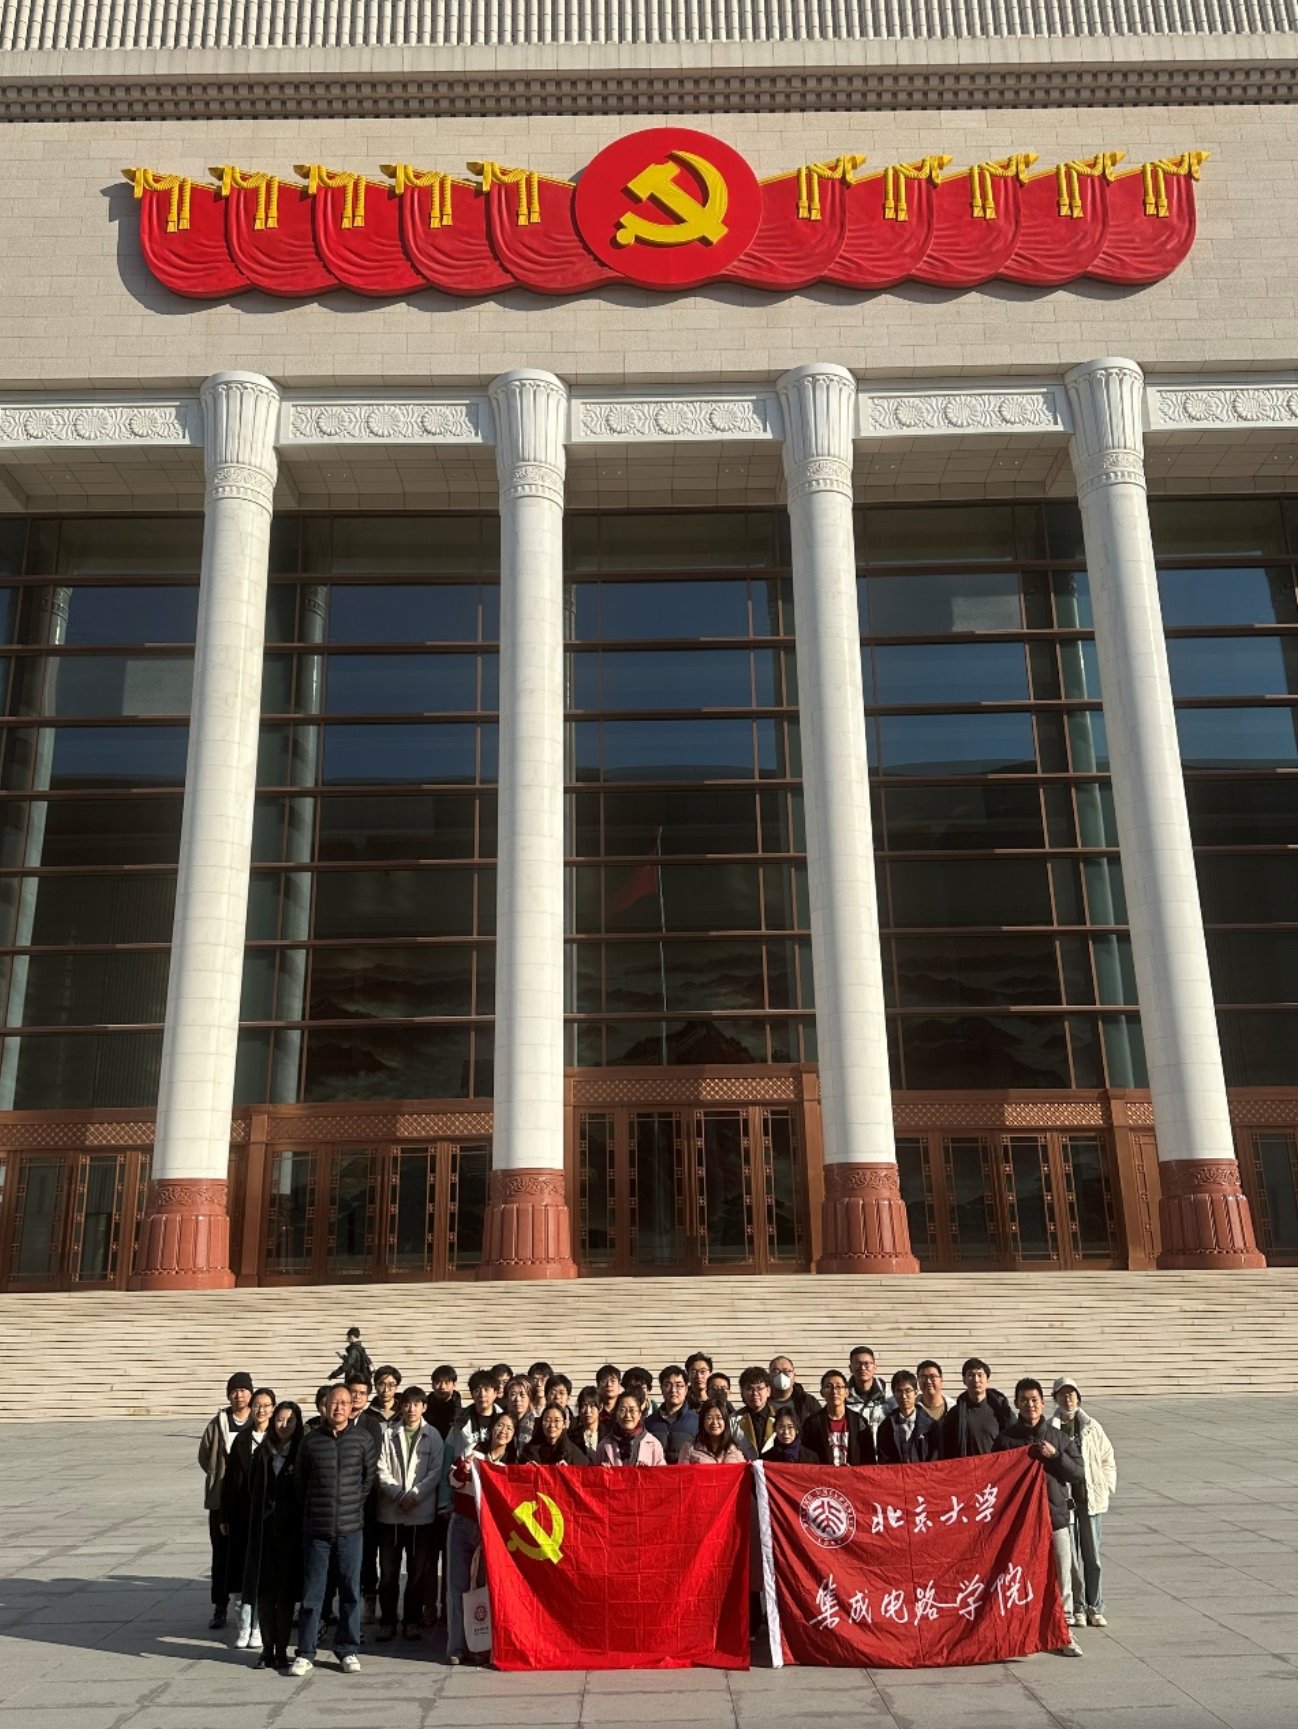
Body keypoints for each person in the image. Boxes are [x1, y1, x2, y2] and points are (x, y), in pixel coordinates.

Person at [994, 1378, 1086, 1656]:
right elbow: (995, 1477)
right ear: (1016, 1403)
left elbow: (1077, 1473)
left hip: (1055, 1517)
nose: (1030, 1405)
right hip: (1021, 1523)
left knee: (1061, 1577)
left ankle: (1064, 1631)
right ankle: (1023, 1634)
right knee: (1021, 1578)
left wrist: (1055, 1456)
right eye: (1024, 1400)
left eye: (1034, 1400)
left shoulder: (1058, 1438)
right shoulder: (1006, 1439)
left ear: (1043, 1403)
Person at [292, 1383, 378, 1677]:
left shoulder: (363, 1440)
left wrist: (351, 1507)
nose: (338, 1407)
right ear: (324, 1406)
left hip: (350, 1529)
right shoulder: (310, 1442)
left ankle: (347, 1648)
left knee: (350, 1591)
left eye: (344, 1402)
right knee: (312, 1594)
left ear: (352, 1406)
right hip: (317, 1529)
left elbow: (368, 1481)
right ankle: (305, 1652)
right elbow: (300, 1484)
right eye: (333, 1402)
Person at [445, 1412, 517, 1665]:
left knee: (487, 1587)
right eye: (500, 1425)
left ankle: (483, 1646)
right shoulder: (473, 1451)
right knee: (458, 1586)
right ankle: (457, 1647)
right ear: (492, 1428)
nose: (503, 1431)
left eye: (509, 1428)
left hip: (493, 1530)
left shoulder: (512, 1463)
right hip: (463, 1524)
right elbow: (451, 1480)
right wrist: (464, 1470)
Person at [376, 1385, 445, 1643]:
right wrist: (398, 1494)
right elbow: (380, 1468)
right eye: (407, 1404)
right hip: (390, 1514)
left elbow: (436, 1471)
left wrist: (414, 1495)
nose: (411, 1409)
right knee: (388, 1574)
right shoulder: (387, 1433)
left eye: (417, 1404)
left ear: (424, 1407)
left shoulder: (433, 1435)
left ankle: (412, 1621)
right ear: (401, 1406)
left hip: (420, 1515)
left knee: (417, 1573)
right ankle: (388, 1621)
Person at [242, 1400, 304, 1671]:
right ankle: (267, 1649)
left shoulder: (301, 1452)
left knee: (285, 1595)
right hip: (265, 1533)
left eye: (290, 1420)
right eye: (280, 1419)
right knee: (265, 1593)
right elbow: (251, 1490)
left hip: (292, 1535)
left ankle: (281, 1649)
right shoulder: (262, 1452)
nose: (284, 1425)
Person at [1053, 1375, 1117, 1630]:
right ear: (1055, 1399)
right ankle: (1078, 1606)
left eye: (1071, 1394)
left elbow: (1107, 1457)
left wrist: (1106, 1486)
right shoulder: (1051, 1428)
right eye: (1062, 1394)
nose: (1067, 1399)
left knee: (1092, 1557)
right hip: (1066, 1502)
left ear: (1078, 1397)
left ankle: (1095, 1606)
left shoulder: (1091, 1427)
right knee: (1070, 1560)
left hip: (1090, 1500)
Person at [219, 1386, 276, 1650]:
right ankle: (244, 1626)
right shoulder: (241, 1440)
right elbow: (230, 1481)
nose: (261, 1410)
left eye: (266, 1406)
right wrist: (225, 1515)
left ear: (273, 1409)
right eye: (257, 1405)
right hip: (243, 1517)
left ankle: (258, 1627)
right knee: (241, 1575)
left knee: (264, 1575)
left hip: (268, 1518)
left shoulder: (277, 1439)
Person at [198, 1372, 253, 1631]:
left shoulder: (258, 1420)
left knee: (251, 1554)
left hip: (251, 1499)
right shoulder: (218, 1423)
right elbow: (204, 1455)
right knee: (221, 1555)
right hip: (221, 1499)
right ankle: (220, 1607)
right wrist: (218, 1475)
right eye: (234, 1391)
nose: (238, 1395)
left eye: (243, 1390)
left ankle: (253, 1605)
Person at [800, 1370, 874, 1466]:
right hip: (823, 1474)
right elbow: (806, 1457)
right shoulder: (812, 1422)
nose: (834, 1391)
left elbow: (868, 1458)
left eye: (839, 1387)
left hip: (853, 1474)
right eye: (828, 1387)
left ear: (846, 1392)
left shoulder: (859, 1421)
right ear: (822, 1392)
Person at [941, 1357, 1010, 1458]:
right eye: (971, 1375)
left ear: (988, 1380)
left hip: (996, 1466)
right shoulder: (955, 1414)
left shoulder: (1002, 1410)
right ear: (964, 1380)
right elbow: (946, 1448)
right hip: (967, 1466)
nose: (976, 1380)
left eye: (980, 1375)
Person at [877, 1370, 941, 1464]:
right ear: (893, 1393)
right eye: (899, 1391)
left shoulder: (931, 1426)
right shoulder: (886, 1426)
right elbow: (884, 1461)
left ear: (916, 1392)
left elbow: (934, 1460)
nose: (903, 1396)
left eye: (908, 1391)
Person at [645, 1365, 698, 1463]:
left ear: (686, 1389)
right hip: (657, 1472)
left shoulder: (697, 1422)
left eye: (679, 1385)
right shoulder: (649, 1422)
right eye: (668, 1385)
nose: (673, 1390)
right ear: (661, 1388)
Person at [597, 1392, 666, 1466]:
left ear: (639, 1414)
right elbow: (593, 1471)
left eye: (632, 1410)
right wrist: (601, 1470)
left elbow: (662, 1472)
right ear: (616, 1414)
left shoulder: (654, 1444)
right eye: (622, 1410)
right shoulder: (604, 1445)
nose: (627, 1415)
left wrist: (648, 1471)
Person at [520, 1402, 591, 1467]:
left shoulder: (572, 1452)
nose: (552, 1425)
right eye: (547, 1420)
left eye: (557, 1420)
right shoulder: (529, 1450)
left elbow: (586, 1472)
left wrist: (569, 1471)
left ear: (564, 1424)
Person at [449, 1369, 500, 1455]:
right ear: (472, 1394)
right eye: (477, 1390)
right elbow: (448, 1450)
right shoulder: (460, 1421)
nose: (482, 1395)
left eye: (486, 1390)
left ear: (495, 1393)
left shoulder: (504, 1419)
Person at [681, 1399, 747, 1464]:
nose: (714, 1422)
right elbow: (682, 1470)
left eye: (719, 1418)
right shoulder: (689, 1448)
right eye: (709, 1418)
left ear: (725, 1421)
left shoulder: (735, 1448)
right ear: (702, 1421)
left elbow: (744, 1469)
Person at [846, 1345, 890, 1438]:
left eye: (867, 1363)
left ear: (874, 1367)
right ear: (850, 1368)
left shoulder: (888, 1396)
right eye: (857, 1364)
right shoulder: (843, 1397)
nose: (862, 1368)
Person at [733, 1366, 777, 1459]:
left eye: (759, 1388)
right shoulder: (733, 1420)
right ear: (742, 1392)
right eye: (749, 1389)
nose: (755, 1393)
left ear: (768, 1391)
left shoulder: (780, 1417)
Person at [768, 1355, 819, 1426]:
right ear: (769, 1376)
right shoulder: (761, 1402)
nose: (781, 1375)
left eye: (787, 1371)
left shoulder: (807, 1402)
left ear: (794, 1376)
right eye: (776, 1371)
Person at [425, 1366, 461, 1439]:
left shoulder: (461, 1414)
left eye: (447, 1382)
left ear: (454, 1384)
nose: (442, 1387)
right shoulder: (423, 1409)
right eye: (438, 1382)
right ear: (432, 1385)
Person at [572, 1386, 604, 1461]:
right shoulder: (571, 1437)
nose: (588, 1411)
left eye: (592, 1406)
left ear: (600, 1407)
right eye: (584, 1406)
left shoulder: (609, 1435)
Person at [503, 1376, 536, 1447]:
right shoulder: (499, 1422)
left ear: (530, 1399)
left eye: (522, 1395)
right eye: (513, 1394)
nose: (517, 1399)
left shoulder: (538, 1425)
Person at [917, 1359, 951, 1424]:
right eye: (923, 1377)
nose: (928, 1381)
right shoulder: (911, 1407)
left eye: (932, 1376)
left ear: (941, 1379)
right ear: (918, 1380)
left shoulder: (952, 1408)